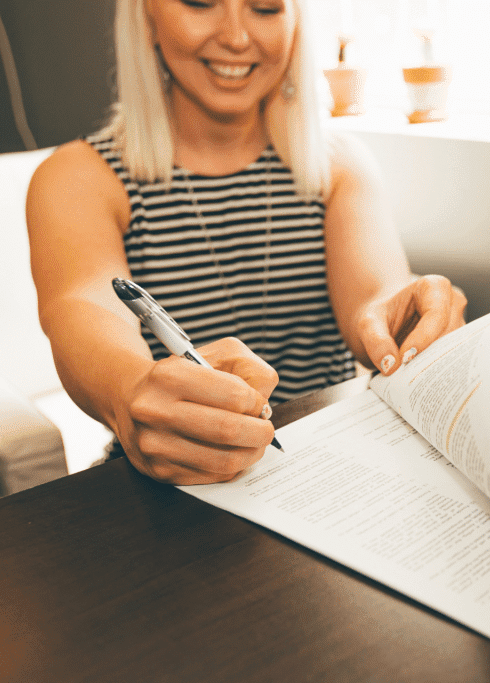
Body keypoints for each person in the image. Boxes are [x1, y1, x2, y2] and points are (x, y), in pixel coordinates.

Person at [26, 0, 466, 486]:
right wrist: (129, 388)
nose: (237, 37)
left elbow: (374, 297)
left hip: (321, 473)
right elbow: (83, 310)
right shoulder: (79, 178)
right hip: (164, 491)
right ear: (146, 16)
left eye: (264, 7)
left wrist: (407, 320)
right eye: (199, 2)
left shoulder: (338, 167)